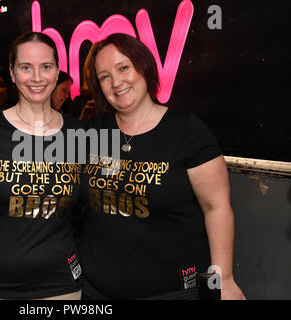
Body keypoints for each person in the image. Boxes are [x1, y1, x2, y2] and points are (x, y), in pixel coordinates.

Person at [78, 33, 246, 300]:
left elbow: (216, 207)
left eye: (123, 68)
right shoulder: (92, 131)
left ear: (144, 67)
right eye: (104, 76)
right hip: (96, 292)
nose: (116, 82)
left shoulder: (187, 130)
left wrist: (222, 277)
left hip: (175, 291)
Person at [0, 31, 84, 300]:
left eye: (46, 67)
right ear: (12, 73)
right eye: (25, 67)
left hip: (58, 281)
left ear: (57, 72)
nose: (36, 77)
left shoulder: (79, 134)